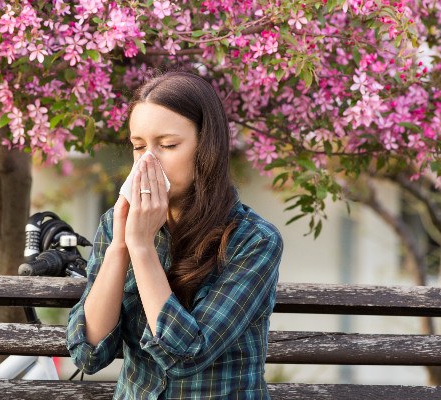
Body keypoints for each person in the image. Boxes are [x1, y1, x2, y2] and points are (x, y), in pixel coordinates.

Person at [66, 71, 284, 399]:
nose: (148, 161)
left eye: (168, 145)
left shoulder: (254, 240)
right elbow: (89, 354)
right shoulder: (116, 224)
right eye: (139, 147)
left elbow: (186, 356)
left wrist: (142, 249)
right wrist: (121, 246)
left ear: (206, 146)